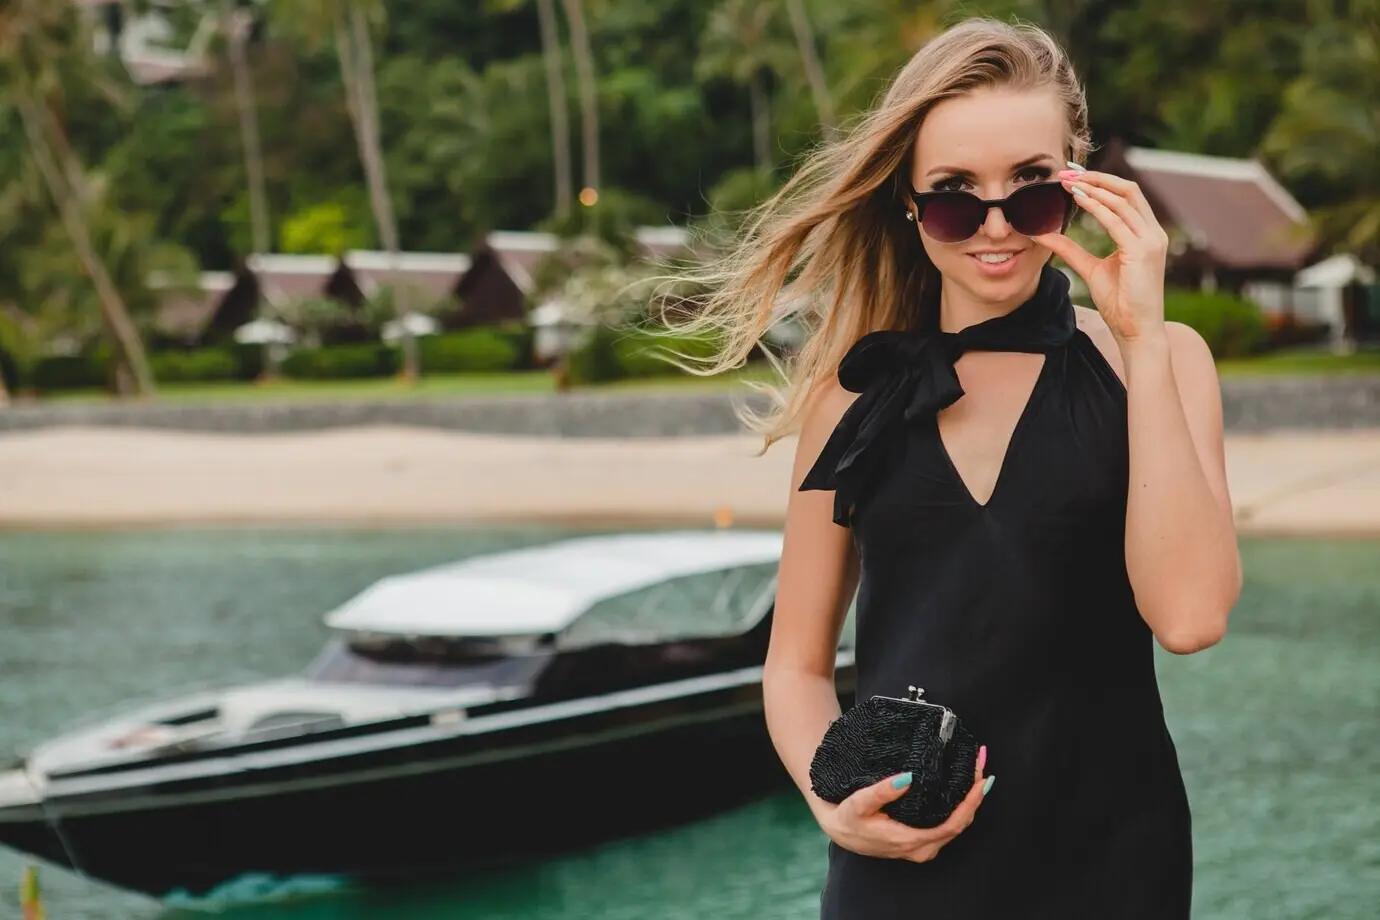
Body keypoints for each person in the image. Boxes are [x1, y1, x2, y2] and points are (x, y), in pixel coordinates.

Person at [663, 15, 1243, 920]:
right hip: (900, 872)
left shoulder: (1160, 363)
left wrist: (1140, 337)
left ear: (1080, 181)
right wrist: (836, 808)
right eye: (953, 196)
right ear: (907, 201)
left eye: (1032, 189)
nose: (997, 225)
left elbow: (1192, 616)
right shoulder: (851, 395)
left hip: (1111, 865)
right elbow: (797, 666)